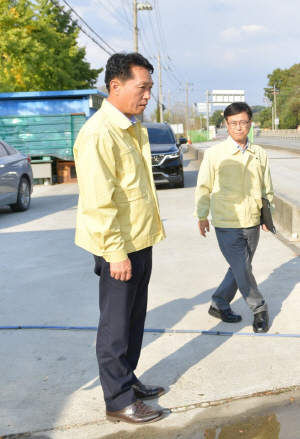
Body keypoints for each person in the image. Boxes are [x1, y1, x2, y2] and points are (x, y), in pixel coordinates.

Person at [74, 53, 166, 424]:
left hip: (138, 240)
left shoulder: (129, 126)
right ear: (116, 86)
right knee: (115, 327)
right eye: (141, 88)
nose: (147, 96)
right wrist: (115, 253)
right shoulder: (100, 133)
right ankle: (118, 400)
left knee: (133, 320)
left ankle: (128, 380)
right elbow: (99, 201)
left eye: (150, 89)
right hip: (118, 247)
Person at [195, 102, 274, 333]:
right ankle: (259, 308)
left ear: (250, 123)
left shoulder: (259, 153)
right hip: (227, 221)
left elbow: (266, 187)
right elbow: (203, 186)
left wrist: (268, 215)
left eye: (243, 122)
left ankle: (219, 303)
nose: (238, 127)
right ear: (226, 124)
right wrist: (201, 216)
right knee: (242, 267)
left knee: (240, 267)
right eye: (233, 123)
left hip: (252, 220)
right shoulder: (214, 154)